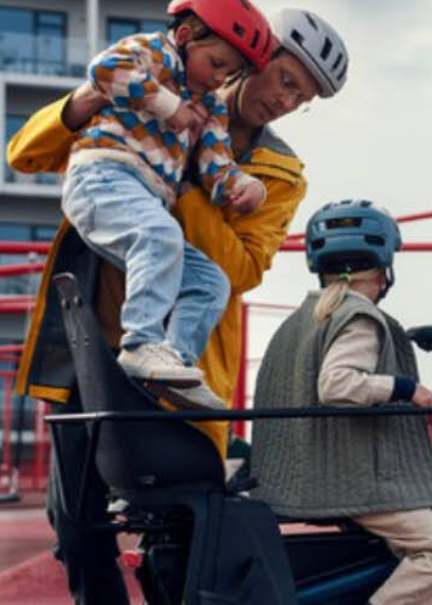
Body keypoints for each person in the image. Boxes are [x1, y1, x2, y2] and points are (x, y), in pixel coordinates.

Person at [9, 8, 350, 605]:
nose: (287, 101)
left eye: (304, 98)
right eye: (287, 81)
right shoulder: (151, 86)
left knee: (177, 549)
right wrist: (91, 111)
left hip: (178, 368)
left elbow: (245, 265)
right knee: (79, 531)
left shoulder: (280, 171)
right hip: (85, 358)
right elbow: (27, 153)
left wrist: (195, 171)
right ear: (249, 57)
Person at [251, 200, 432, 605]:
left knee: (426, 536)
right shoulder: (358, 316)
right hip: (345, 479)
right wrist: (406, 388)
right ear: (385, 267)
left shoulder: (302, 318)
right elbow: (339, 385)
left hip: (299, 474)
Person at [62, 0, 272, 410]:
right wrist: (167, 104)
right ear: (185, 37)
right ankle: (141, 344)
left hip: (146, 199)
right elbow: (104, 70)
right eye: (216, 63)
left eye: (228, 73)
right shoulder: (155, 52)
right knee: (160, 235)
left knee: (211, 284)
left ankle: (171, 365)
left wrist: (246, 186)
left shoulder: (209, 107)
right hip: (103, 176)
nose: (219, 78)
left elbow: (217, 165)